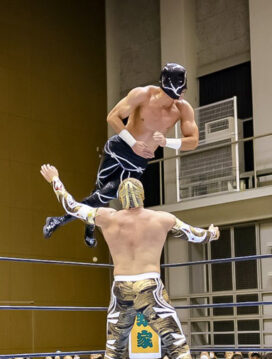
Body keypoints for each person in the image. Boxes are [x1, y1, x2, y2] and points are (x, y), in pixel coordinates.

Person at [40, 163, 218, 359]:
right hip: (150, 287)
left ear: (121, 199)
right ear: (143, 196)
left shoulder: (107, 217)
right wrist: (212, 234)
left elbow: (70, 206)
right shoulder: (162, 218)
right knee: (177, 345)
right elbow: (197, 236)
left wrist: (55, 179)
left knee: (113, 350)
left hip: (121, 286)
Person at [42, 63, 198, 247]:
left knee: (103, 196)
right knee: (98, 191)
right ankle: (89, 226)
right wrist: (134, 142)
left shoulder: (182, 109)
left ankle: (58, 220)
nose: (179, 96)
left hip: (138, 162)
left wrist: (167, 142)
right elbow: (113, 117)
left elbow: (193, 141)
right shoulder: (142, 94)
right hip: (119, 148)